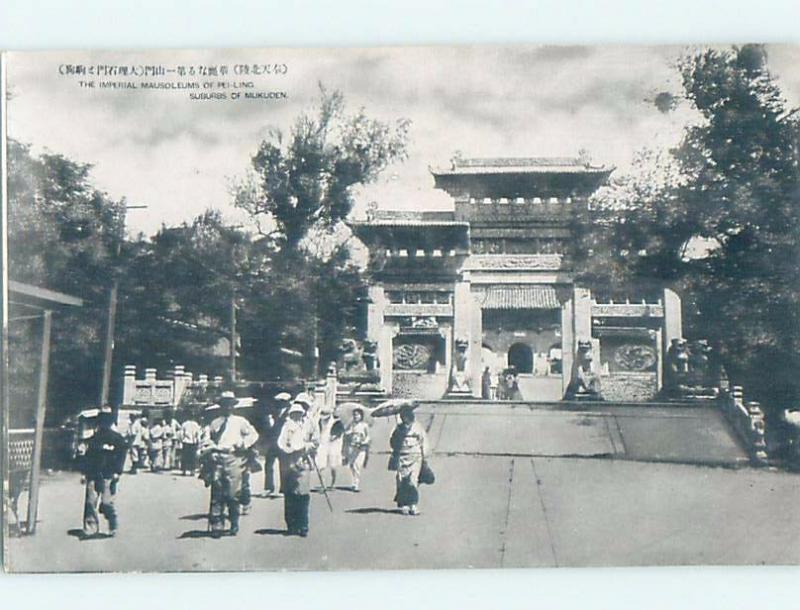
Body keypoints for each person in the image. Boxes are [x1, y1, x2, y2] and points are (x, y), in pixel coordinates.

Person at [199, 391, 259, 538]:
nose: (227, 407)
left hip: (234, 458)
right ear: (221, 406)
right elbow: (206, 440)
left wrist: (243, 444)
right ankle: (217, 525)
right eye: (224, 404)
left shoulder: (240, 421)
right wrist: (210, 448)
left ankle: (234, 522)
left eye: (230, 404)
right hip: (217, 458)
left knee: (233, 494)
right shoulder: (214, 423)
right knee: (217, 493)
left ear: (233, 406)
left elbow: (253, 435)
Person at [81, 406, 128, 537]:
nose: (104, 424)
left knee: (107, 503)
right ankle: (90, 528)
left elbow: (121, 456)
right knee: (90, 502)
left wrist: (118, 472)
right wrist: (85, 473)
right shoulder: (94, 438)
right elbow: (88, 457)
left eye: (107, 421)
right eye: (102, 421)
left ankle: (112, 523)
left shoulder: (117, 439)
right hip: (94, 474)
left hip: (109, 474)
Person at [277, 401, 319, 537]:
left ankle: (303, 525)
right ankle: (291, 525)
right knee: (289, 495)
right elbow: (281, 442)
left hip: (303, 461)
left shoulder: (310, 424)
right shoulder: (286, 426)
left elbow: (316, 441)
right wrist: (287, 449)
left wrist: (309, 446)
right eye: (294, 413)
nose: (297, 416)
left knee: (303, 494)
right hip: (288, 462)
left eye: (299, 413)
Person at [389, 405, 427, 516]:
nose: (405, 419)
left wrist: (424, 454)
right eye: (403, 416)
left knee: (413, 481)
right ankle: (404, 504)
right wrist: (399, 435)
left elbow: (423, 441)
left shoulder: (417, 427)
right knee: (402, 481)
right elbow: (392, 442)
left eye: (407, 416)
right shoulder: (398, 428)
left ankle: (413, 504)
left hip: (415, 456)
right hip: (402, 456)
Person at [262, 392, 291, 497]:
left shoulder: (289, 413)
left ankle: (284, 488)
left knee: (283, 466)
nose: (279, 404)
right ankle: (269, 487)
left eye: (281, 402)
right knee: (268, 465)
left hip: (283, 442)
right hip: (273, 442)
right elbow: (269, 429)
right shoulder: (274, 413)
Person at [315, 406, 344, 488]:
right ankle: (323, 484)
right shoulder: (320, 421)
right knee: (321, 465)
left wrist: (334, 436)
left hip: (333, 445)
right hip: (322, 443)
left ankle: (333, 483)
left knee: (333, 465)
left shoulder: (337, 422)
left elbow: (340, 432)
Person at [343, 407, 370, 492]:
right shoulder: (351, 425)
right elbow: (347, 433)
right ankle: (354, 481)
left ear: (361, 416)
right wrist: (348, 433)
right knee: (352, 465)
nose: (356, 416)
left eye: (358, 415)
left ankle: (356, 483)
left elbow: (368, 436)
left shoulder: (364, 425)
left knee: (357, 465)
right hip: (352, 446)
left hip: (361, 448)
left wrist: (364, 442)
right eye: (354, 415)